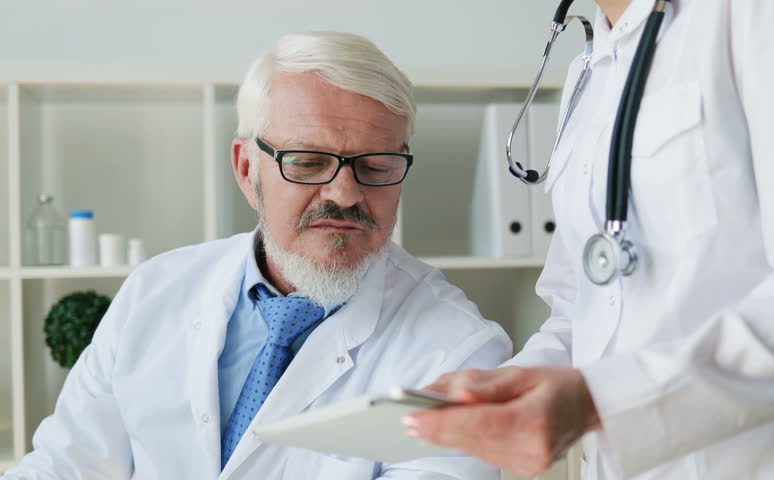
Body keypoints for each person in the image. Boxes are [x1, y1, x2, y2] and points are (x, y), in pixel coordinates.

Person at [2, 31, 512, 480]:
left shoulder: (458, 352)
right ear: (247, 169)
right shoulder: (154, 291)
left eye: (377, 166)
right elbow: (69, 464)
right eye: (308, 162)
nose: (346, 194)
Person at [406, 1, 774, 479]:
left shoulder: (768, 12)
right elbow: (581, 305)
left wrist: (601, 401)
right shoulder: (588, 67)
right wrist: (512, 382)